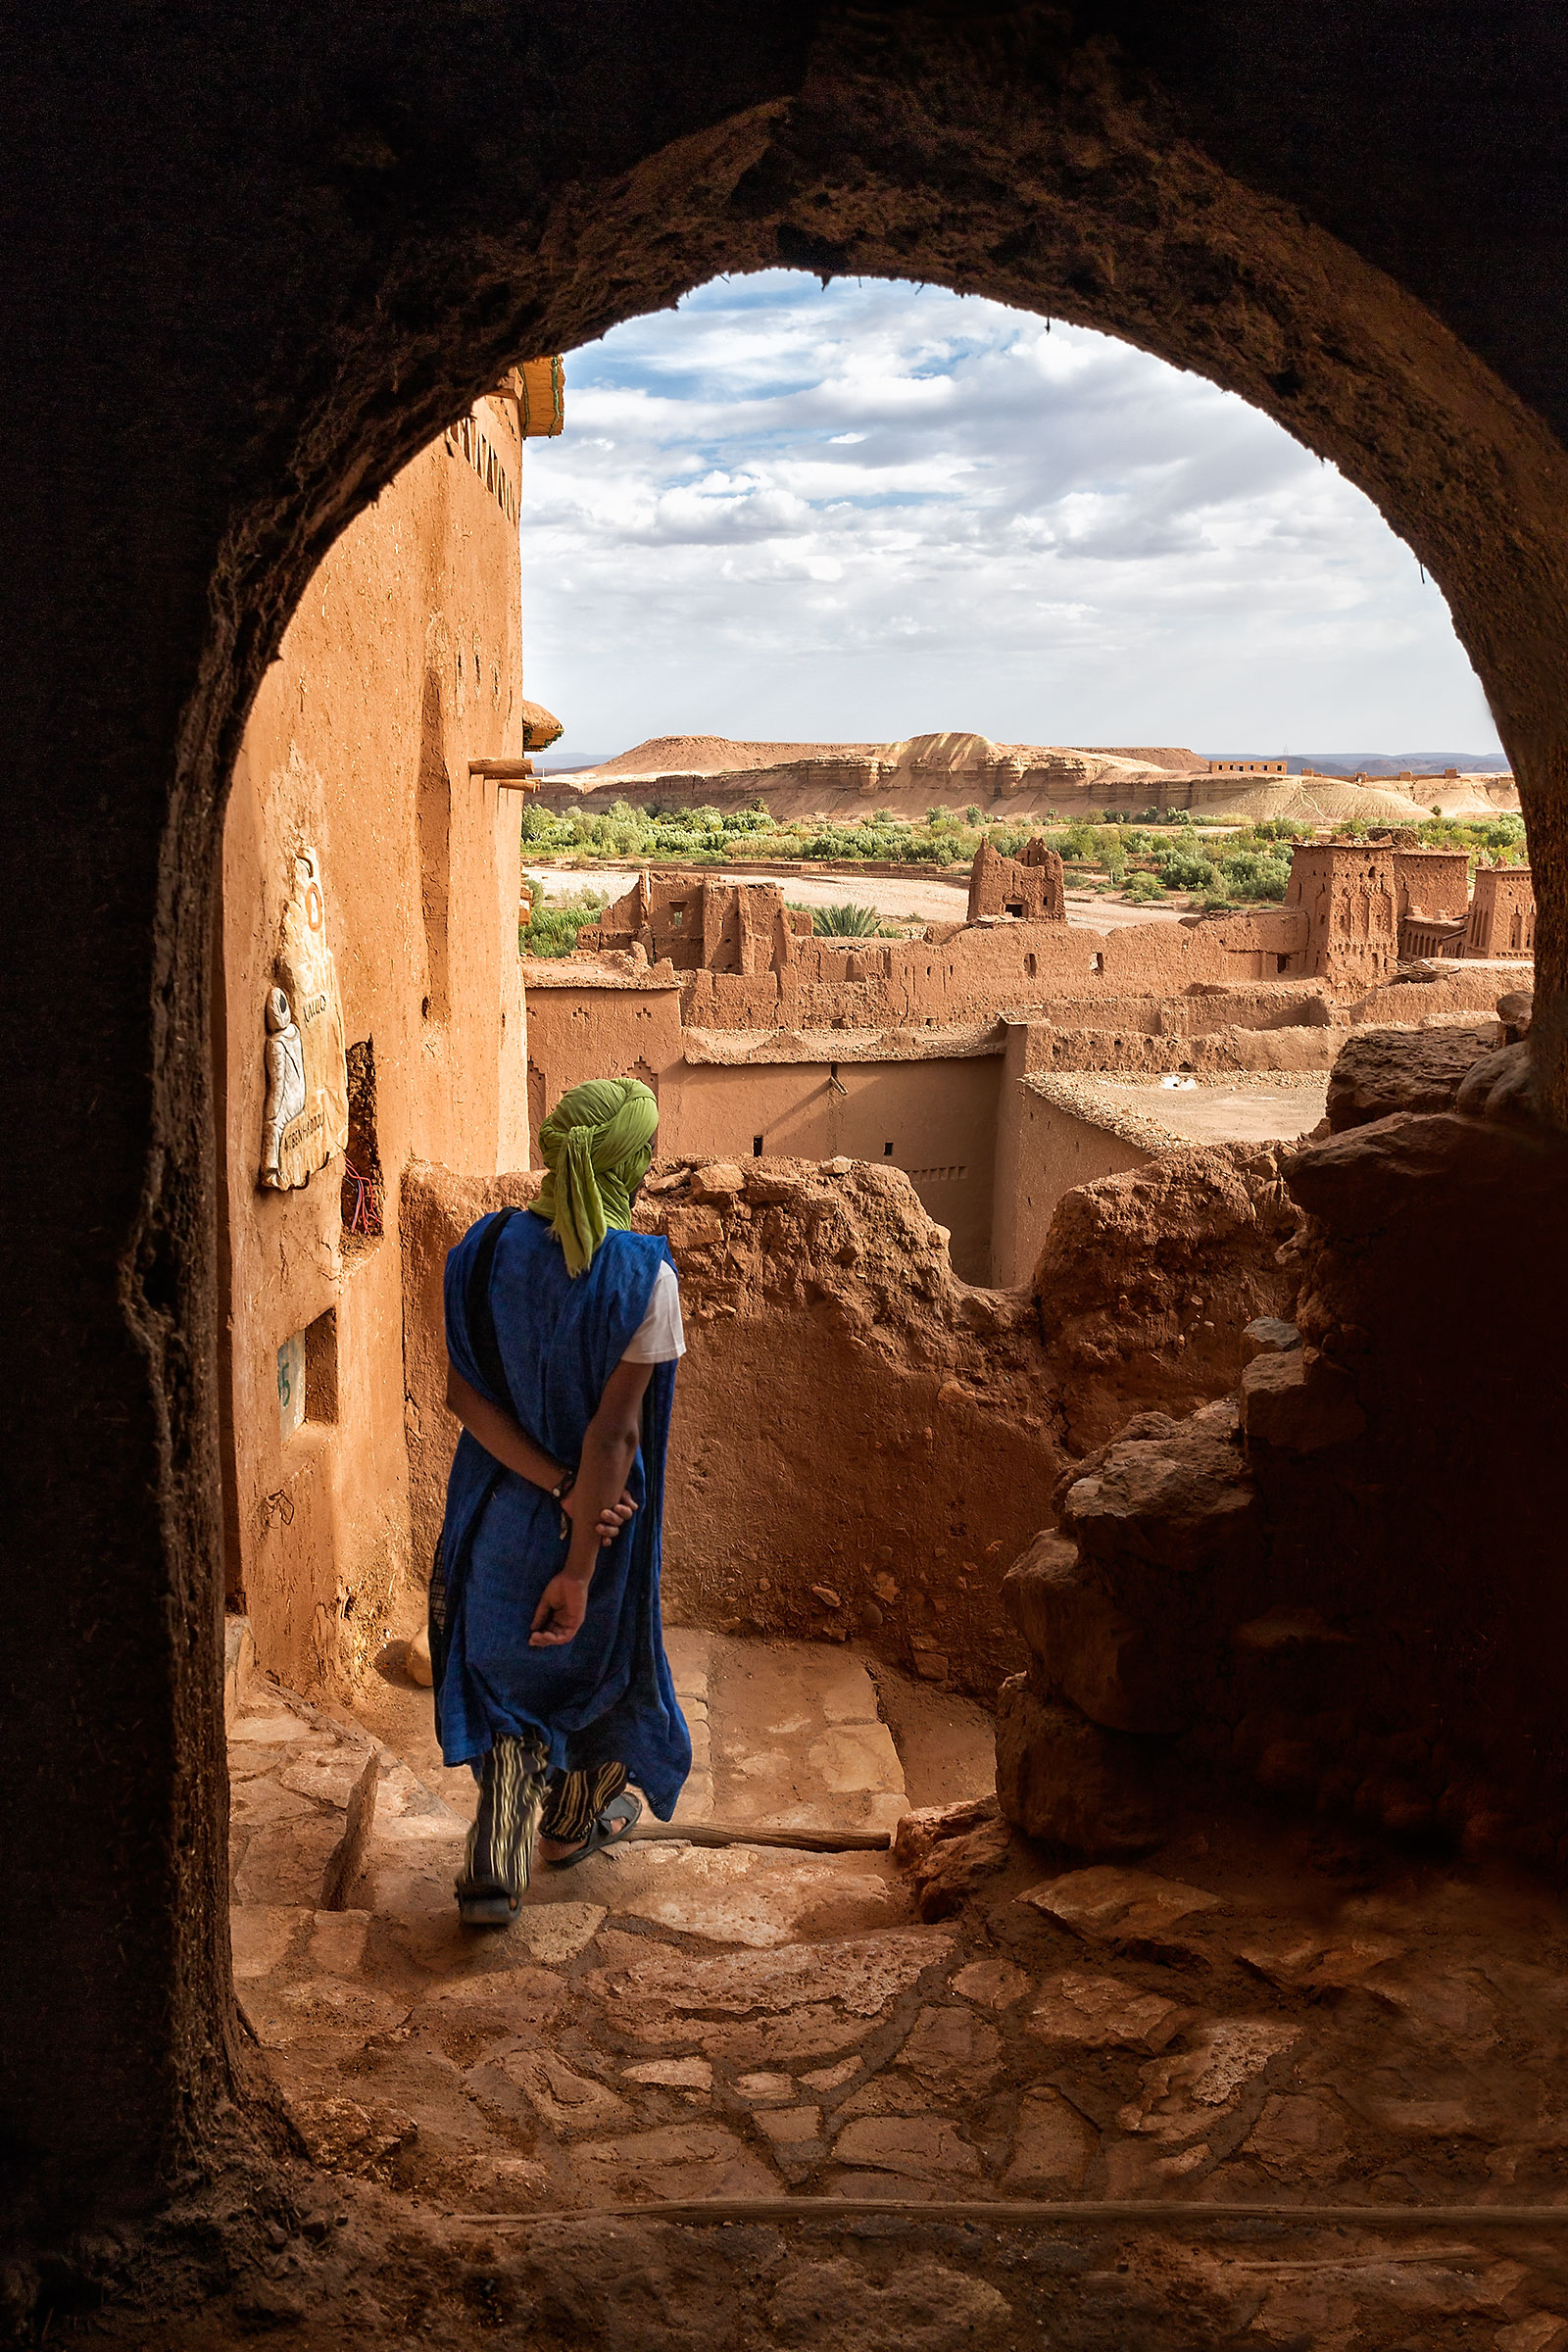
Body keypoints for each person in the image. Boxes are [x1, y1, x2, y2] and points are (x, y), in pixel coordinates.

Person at [430, 1077, 690, 1927]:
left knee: (506, 1678)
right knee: (595, 1683)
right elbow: (614, 1439)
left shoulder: (480, 1250)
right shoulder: (645, 1279)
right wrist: (579, 1555)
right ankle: (572, 1823)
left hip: (499, 1512)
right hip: (602, 1528)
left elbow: (467, 1403)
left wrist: (551, 1486)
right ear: (625, 1164)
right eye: (645, 1151)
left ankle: (498, 1852)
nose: (653, 1165)